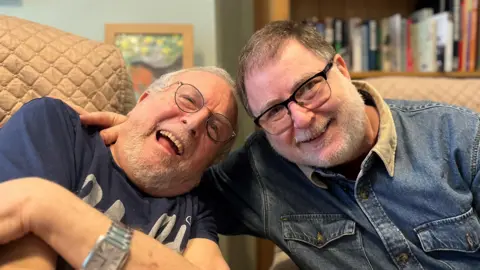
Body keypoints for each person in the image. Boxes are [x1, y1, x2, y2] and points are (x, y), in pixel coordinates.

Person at [2, 20, 480, 270]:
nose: (302, 119)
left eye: (309, 86)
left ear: (341, 68)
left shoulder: (462, 138)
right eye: (273, 111)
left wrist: (44, 208)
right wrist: (141, 131)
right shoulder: (254, 174)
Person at [0, 66, 238, 270]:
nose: (194, 123)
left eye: (214, 129)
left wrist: (45, 206)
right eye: (187, 100)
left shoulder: (195, 212)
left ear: (205, 167)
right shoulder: (57, 127)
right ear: (144, 100)